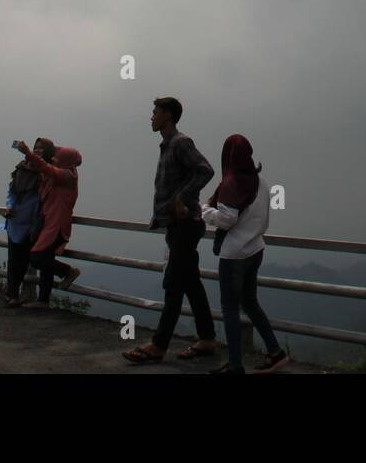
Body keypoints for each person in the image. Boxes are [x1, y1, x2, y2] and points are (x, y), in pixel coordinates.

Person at [123, 96, 217, 364]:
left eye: (155, 112)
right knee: (189, 283)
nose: (151, 117)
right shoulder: (167, 146)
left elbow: (206, 170)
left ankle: (158, 345)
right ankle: (207, 338)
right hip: (177, 225)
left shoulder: (180, 143)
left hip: (186, 224)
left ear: (167, 115)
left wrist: (181, 197)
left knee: (174, 285)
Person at [201, 134, 289, 374]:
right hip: (255, 249)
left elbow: (227, 220)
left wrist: (206, 210)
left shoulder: (231, 184)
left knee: (229, 308)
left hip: (234, 256)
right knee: (250, 302)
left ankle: (236, 365)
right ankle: (275, 352)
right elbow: (263, 219)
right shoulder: (261, 182)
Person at [14, 138, 82, 309]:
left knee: (37, 258)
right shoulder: (54, 172)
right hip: (47, 221)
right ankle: (43, 300)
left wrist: (28, 153)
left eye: (42, 148)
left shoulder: (67, 175)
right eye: (37, 147)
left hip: (56, 224)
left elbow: (47, 168)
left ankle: (68, 271)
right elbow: (44, 166)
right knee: (46, 260)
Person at [0, 139, 47, 307]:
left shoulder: (46, 172)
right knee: (15, 260)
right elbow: (12, 192)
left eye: (42, 148)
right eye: (36, 148)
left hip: (34, 224)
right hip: (16, 221)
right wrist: (9, 206)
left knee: (30, 259)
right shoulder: (21, 168)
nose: (38, 151)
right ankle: (12, 294)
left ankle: (23, 295)